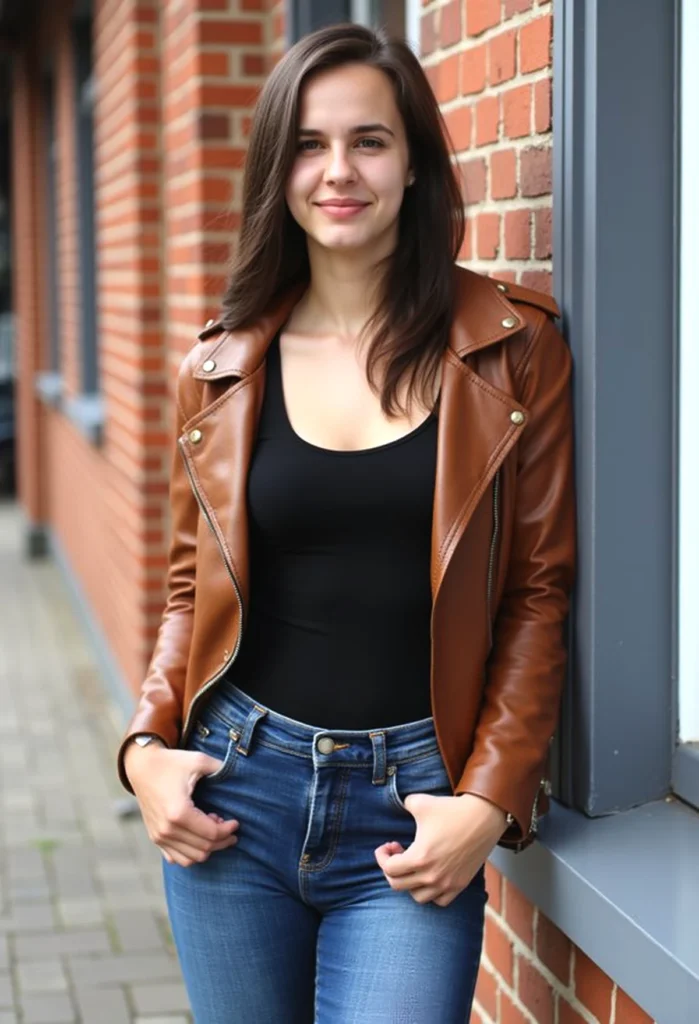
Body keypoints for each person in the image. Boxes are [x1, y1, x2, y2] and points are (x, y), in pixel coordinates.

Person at [117, 22, 575, 1024]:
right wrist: (146, 748)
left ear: (413, 163)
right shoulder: (220, 367)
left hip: (413, 809)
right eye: (309, 145)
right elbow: (192, 586)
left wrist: (489, 798)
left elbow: (539, 592)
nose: (339, 171)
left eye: (369, 140)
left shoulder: (510, 350)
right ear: (278, 169)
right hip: (237, 794)